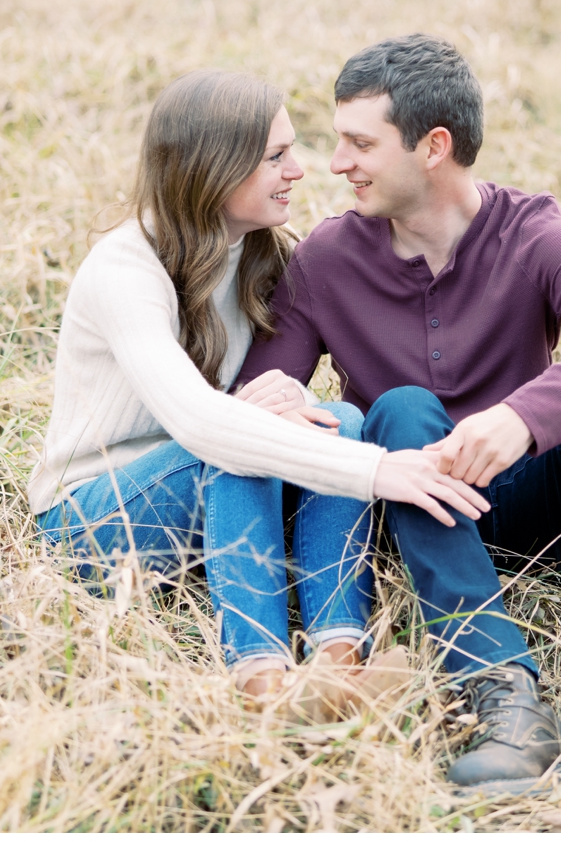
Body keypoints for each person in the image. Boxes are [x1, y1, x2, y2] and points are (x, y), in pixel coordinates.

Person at [236, 34, 561, 791]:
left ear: (433, 147)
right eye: (339, 141)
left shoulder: (536, 234)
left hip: (533, 500)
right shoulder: (327, 260)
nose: (337, 164)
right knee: (400, 408)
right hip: (415, 511)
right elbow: (267, 402)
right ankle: (502, 700)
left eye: (360, 143)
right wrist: (290, 398)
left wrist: (521, 419)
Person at [26, 69, 490, 712]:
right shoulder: (124, 269)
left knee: (340, 419)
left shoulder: (262, 256)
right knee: (241, 447)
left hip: (202, 493)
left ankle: (337, 662)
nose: (301, 170)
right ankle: (262, 684)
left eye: (291, 150)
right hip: (93, 521)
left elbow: (246, 415)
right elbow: (201, 425)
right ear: (212, 168)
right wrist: (379, 470)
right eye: (275, 156)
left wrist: (303, 412)